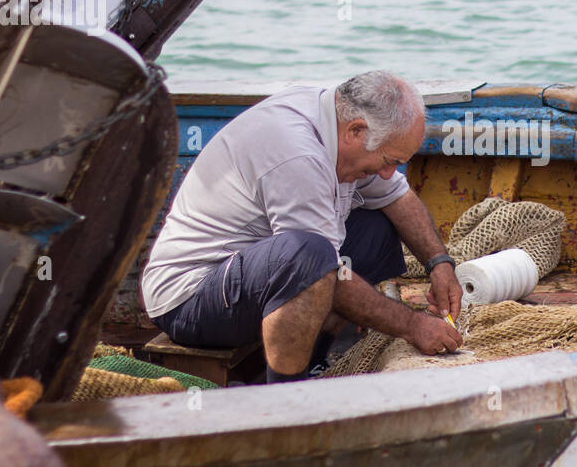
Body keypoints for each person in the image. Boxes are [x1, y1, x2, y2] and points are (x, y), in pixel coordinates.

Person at [140, 70, 464, 381]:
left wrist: (439, 264)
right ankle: (288, 396)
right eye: (389, 161)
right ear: (356, 131)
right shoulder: (298, 156)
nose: (387, 173)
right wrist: (412, 325)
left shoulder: (335, 123)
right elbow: (325, 272)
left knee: (375, 230)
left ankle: (317, 358)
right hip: (190, 299)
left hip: (252, 274)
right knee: (310, 255)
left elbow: (397, 197)